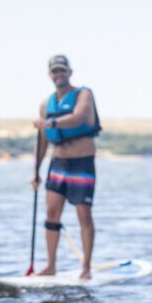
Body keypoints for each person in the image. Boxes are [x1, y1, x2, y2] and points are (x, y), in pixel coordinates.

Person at [31, 54, 101, 279]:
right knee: (51, 213)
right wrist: (36, 172)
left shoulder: (84, 95)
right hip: (57, 162)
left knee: (83, 214)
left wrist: (50, 122)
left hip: (82, 162)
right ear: (50, 75)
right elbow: (43, 141)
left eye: (62, 70)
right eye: (55, 71)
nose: (59, 74)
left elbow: (79, 118)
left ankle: (86, 268)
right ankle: (51, 265)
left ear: (70, 72)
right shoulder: (46, 104)